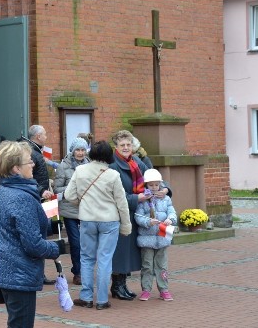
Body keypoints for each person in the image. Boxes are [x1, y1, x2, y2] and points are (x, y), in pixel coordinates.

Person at [0, 141, 64, 328]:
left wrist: (49, 223)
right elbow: (33, 245)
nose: (33, 165)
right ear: (15, 168)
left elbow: (17, 228)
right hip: (18, 272)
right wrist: (56, 248)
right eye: (29, 162)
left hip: (7, 268)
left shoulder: (5, 190)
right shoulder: (21, 197)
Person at [63, 140, 132, 310]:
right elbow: (122, 203)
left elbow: (69, 195)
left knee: (86, 258)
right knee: (105, 259)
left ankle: (86, 297)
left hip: (87, 219)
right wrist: (126, 224)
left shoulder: (80, 170)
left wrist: (81, 203)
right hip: (110, 220)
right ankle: (102, 299)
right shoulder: (113, 174)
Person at [108, 129, 170, 301]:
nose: (126, 147)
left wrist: (165, 189)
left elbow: (153, 177)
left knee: (130, 252)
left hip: (137, 214)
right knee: (120, 252)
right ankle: (117, 285)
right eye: (122, 145)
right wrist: (137, 198)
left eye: (129, 144)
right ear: (116, 146)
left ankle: (123, 285)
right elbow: (114, 195)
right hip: (120, 215)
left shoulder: (136, 162)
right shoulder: (112, 165)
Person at [18, 125, 55, 284]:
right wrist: (41, 190)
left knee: (42, 233)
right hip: (37, 198)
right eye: (45, 134)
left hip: (40, 197)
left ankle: (39, 273)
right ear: (38, 136)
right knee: (39, 236)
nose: (46, 137)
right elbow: (28, 178)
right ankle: (37, 274)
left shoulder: (34, 150)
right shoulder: (31, 152)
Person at [52, 136, 90, 286]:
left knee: (87, 243)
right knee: (75, 242)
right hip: (69, 209)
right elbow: (57, 188)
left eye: (82, 150)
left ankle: (85, 270)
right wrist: (74, 188)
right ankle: (78, 272)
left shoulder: (89, 164)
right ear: (72, 151)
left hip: (86, 209)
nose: (80, 153)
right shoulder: (64, 166)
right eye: (77, 150)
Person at [134, 169, 177, 301]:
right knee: (147, 265)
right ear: (146, 185)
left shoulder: (166, 199)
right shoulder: (142, 199)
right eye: (151, 185)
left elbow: (172, 212)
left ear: (160, 185)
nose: (154, 188)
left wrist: (171, 218)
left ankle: (164, 289)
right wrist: (147, 222)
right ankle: (146, 290)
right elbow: (138, 216)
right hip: (147, 238)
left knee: (162, 265)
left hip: (163, 235)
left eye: (156, 185)